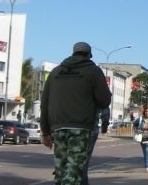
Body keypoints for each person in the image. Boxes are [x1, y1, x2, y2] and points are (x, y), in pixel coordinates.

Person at [40, 42, 112, 185]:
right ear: (89, 55)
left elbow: (44, 104)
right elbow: (104, 100)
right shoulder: (93, 71)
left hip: (58, 128)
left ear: (73, 53)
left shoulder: (55, 72)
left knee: (61, 171)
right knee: (74, 170)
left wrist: (45, 132)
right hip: (81, 127)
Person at [81, 107, 110, 185]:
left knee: (64, 161)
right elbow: (104, 104)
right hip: (89, 128)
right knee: (83, 162)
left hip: (64, 127)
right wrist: (104, 125)